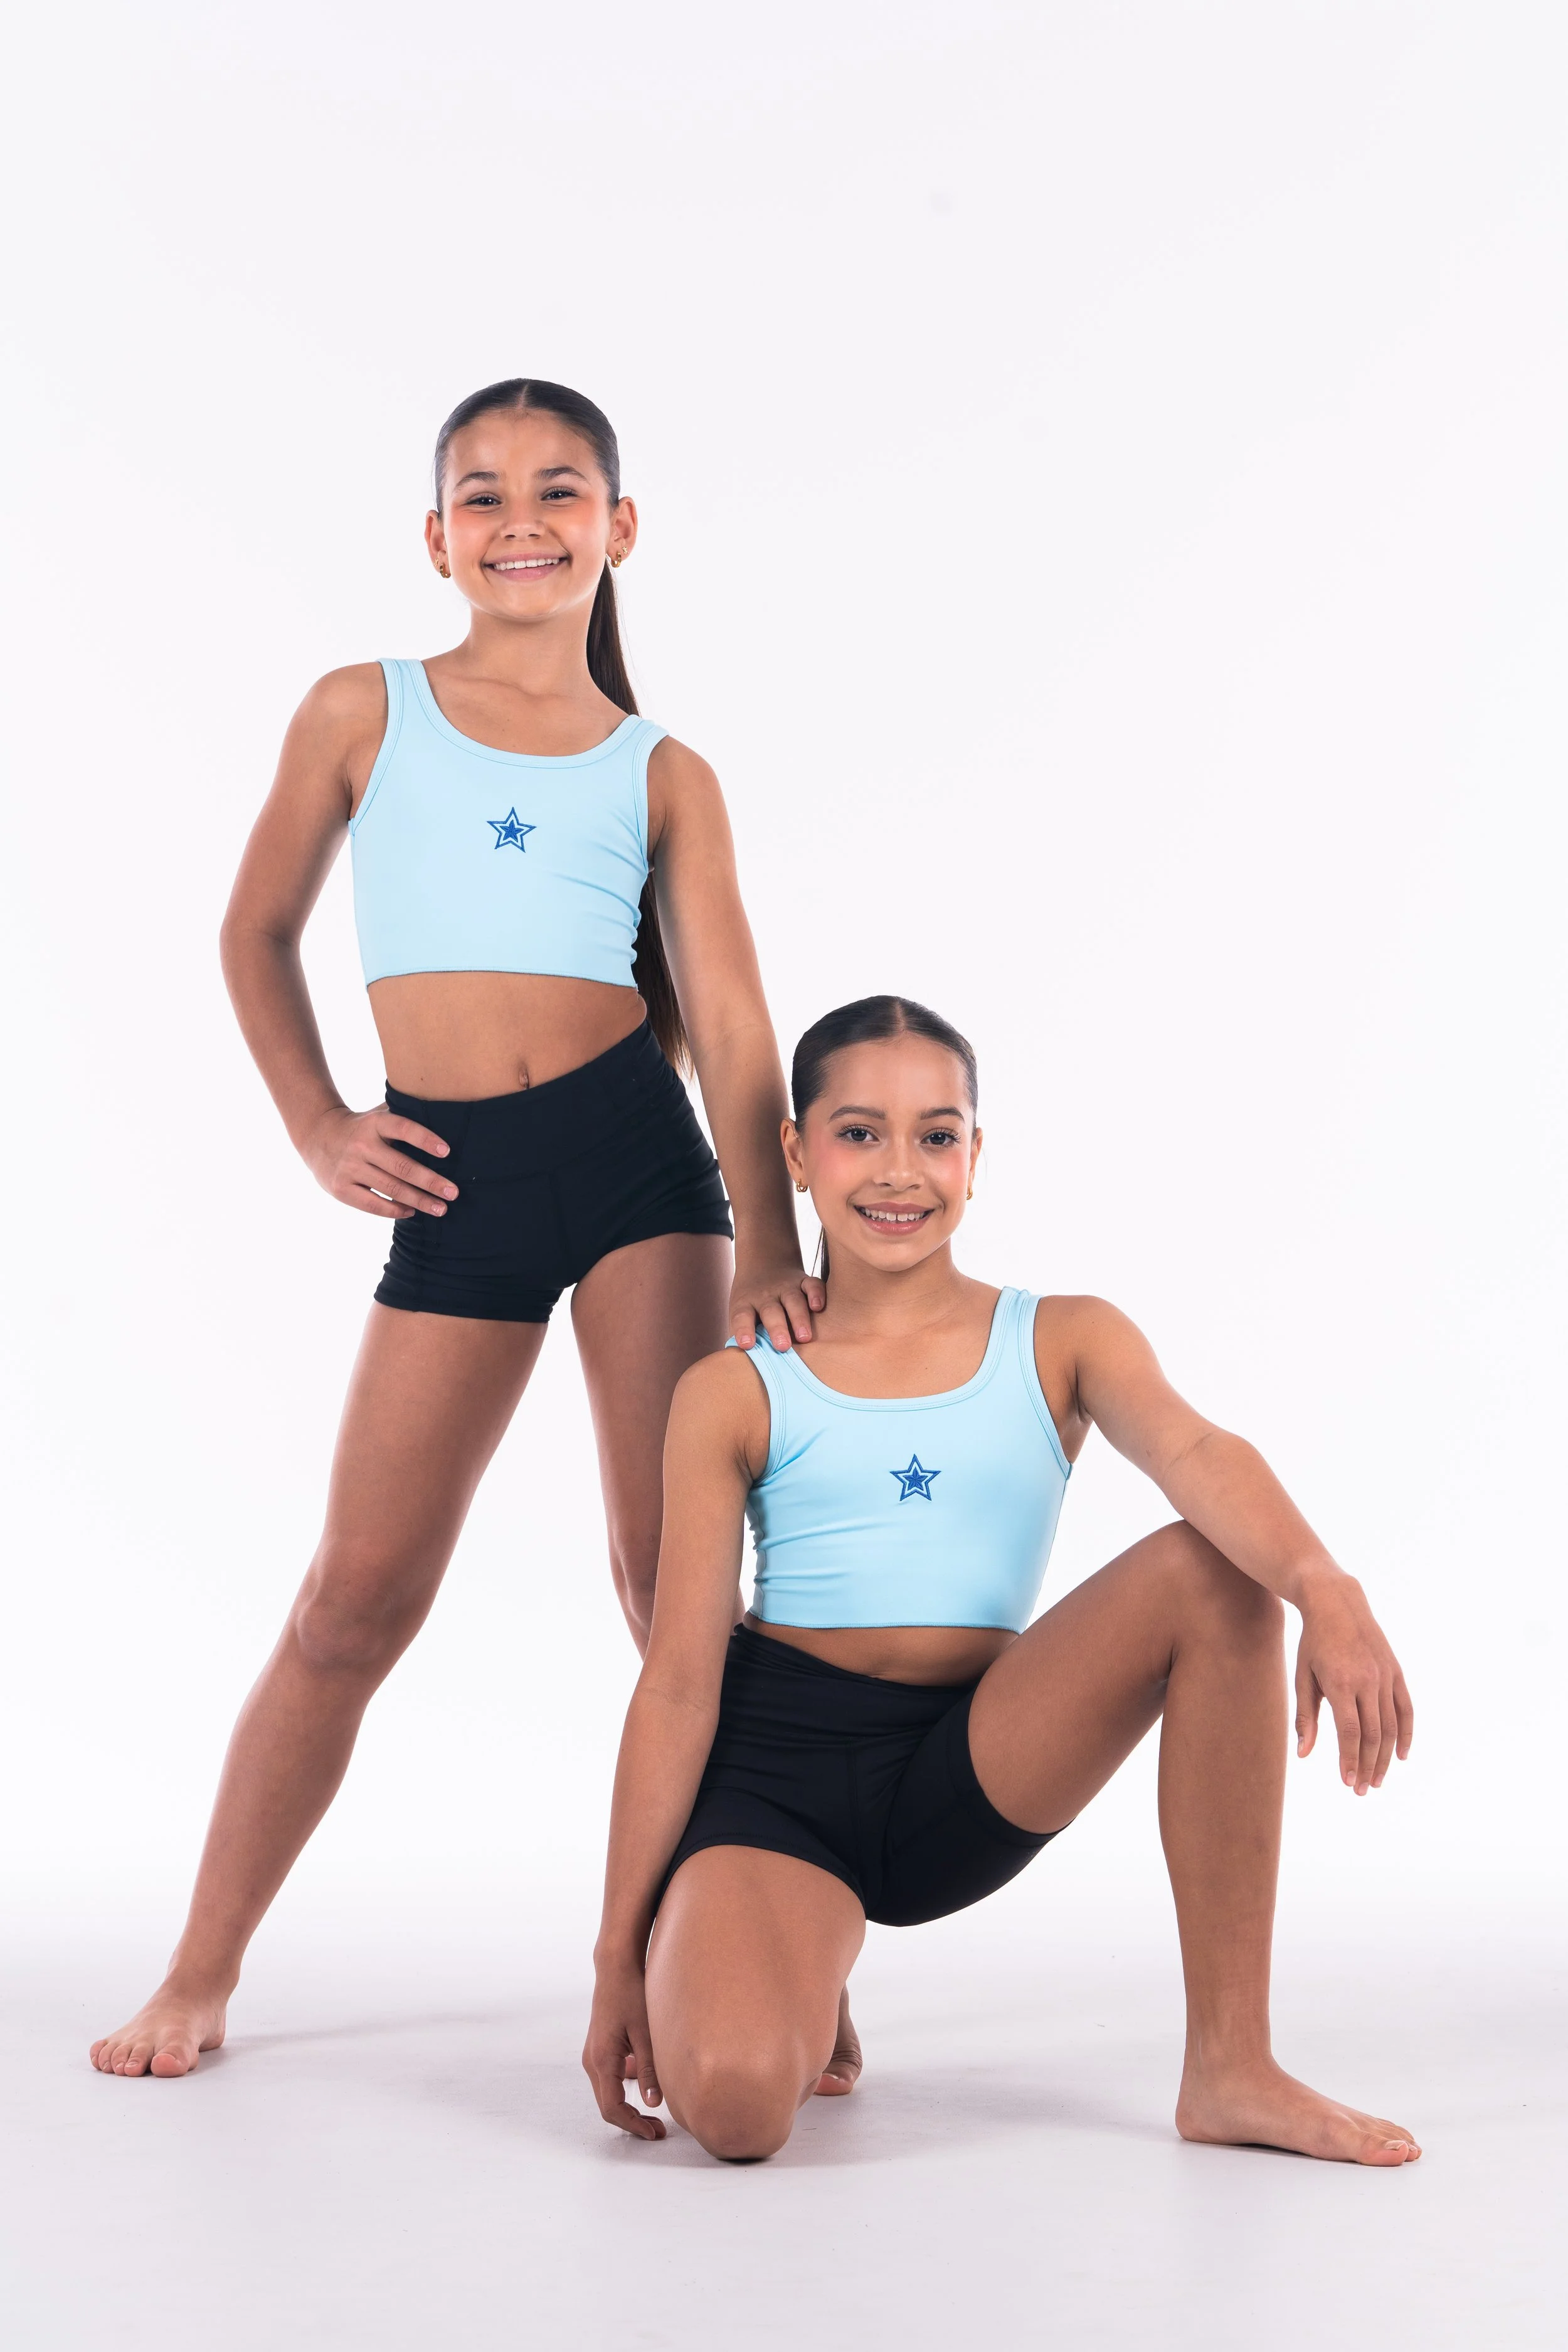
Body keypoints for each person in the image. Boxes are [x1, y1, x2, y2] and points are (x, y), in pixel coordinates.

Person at [91, 378, 824, 2081]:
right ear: (434, 537)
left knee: (673, 1590)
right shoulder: (366, 707)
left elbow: (727, 1022)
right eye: (480, 491)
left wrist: (772, 1240)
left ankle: (775, 1958)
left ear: (617, 530)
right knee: (354, 1599)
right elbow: (253, 931)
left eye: (560, 489)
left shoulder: (662, 769)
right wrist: (317, 1122)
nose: (519, 516)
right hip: (450, 1178)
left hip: (637, 1170)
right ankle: (200, 1965)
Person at [583, 994, 1422, 2166]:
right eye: (859, 1131)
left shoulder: (1061, 1337)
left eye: (937, 1134)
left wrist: (1330, 1589)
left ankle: (1232, 2063)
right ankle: (773, 1952)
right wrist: (615, 1952)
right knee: (729, 2108)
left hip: (971, 1759)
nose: (900, 1170)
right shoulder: (739, 1384)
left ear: (977, 1155)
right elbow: (678, 1685)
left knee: (1220, 1573)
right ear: (796, 1150)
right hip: (776, 1782)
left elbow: (1197, 1453)